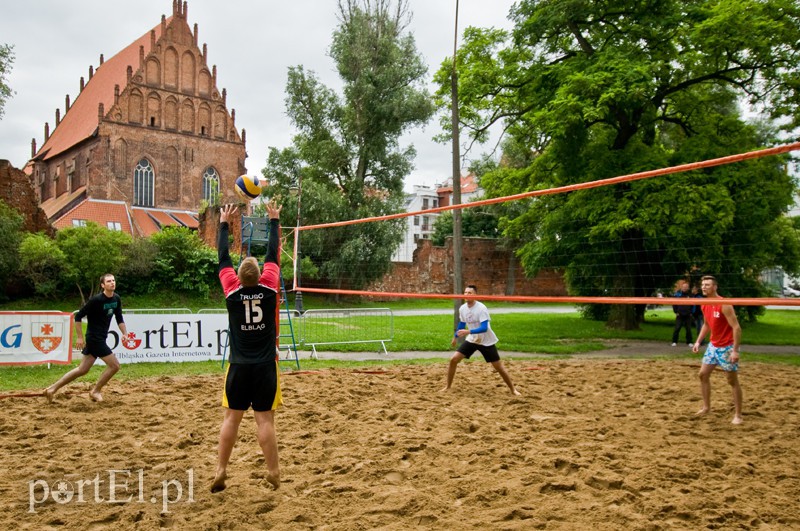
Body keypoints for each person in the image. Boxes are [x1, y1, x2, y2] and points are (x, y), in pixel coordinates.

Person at [211, 201, 283, 493]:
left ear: (238, 278)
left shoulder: (231, 291)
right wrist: (274, 220)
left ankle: (221, 469)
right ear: (261, 275)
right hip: (266, 366)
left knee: (231, 419)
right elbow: (272, 254)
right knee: (264, 421)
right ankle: (274, 472)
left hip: (238, 366)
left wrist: (224, 223)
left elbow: (222, 258)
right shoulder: (270, 287)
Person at [45, 274, 128, 403]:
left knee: (82, 369)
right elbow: (78, 316)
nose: (112, 283)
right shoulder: (96, 300)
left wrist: (125, 333)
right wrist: (79, 337)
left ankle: (51, 389)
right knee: (115, 366)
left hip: (100, 338)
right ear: (102, 285)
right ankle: (95, 391)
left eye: (113, 280)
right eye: (108, 281)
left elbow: (119, 318)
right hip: (95, 339)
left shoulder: (116, 298)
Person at [440, 285, 521, 395]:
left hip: (486, 341)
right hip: (472, 340)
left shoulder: (481, 308)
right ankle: (448, 386)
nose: (467, 295)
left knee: (499, 367)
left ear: (475, 295)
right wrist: (455, 337)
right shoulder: (462, 308)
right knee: (453, 359)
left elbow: (484, 328)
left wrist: (468, 332)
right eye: (465, 292)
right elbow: (462, 324)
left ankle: (513, 389)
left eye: (470, 293)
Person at [692, 275, 744, 425]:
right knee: (702, 374)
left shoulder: (724, 304)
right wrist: (698, 341)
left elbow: (737, 328)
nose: (704, 287)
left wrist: (735, 350)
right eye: (703, 285)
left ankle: (738, 415)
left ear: (715, 287)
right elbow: (707, 324)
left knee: (732, 380)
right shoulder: (704, 303)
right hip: (713, 346)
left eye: (707, 285)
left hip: (727, 347)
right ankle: (706, 407)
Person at [671, 280, 693, 347]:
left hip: (688, 315)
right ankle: (674, 341)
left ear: (688, 288)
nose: (685, 288)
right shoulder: (677, 295)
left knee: (688, 329)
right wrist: (676, 312)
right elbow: (674, 304)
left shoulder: (690, 295)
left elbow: (694, 304)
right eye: (684, 287)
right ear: (681, 287)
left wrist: (691, 312)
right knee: (677, 328)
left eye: (686, 287)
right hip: (679, 315)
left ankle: (689, 342)